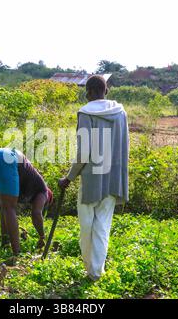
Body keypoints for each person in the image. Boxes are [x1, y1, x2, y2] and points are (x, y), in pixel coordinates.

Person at [58, 75, 129, 281]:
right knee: (102, 226)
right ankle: (96, 272)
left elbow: (84, 152)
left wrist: (69, 178)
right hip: (113, 178)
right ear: (106, 91)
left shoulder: (85, 112)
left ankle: (92, 269)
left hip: (91, 180)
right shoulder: (120, 112)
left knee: (87, 226)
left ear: (87, 92)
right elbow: (124, 147)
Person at [0, 148, 53, 256]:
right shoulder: (44, 192)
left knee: (5, 207)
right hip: (7, 158)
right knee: (8, 208)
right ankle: (17, 254)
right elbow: (36, 213)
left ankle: (5, 245)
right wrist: (42, 236)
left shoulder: (30, 185)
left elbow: (1, 205)